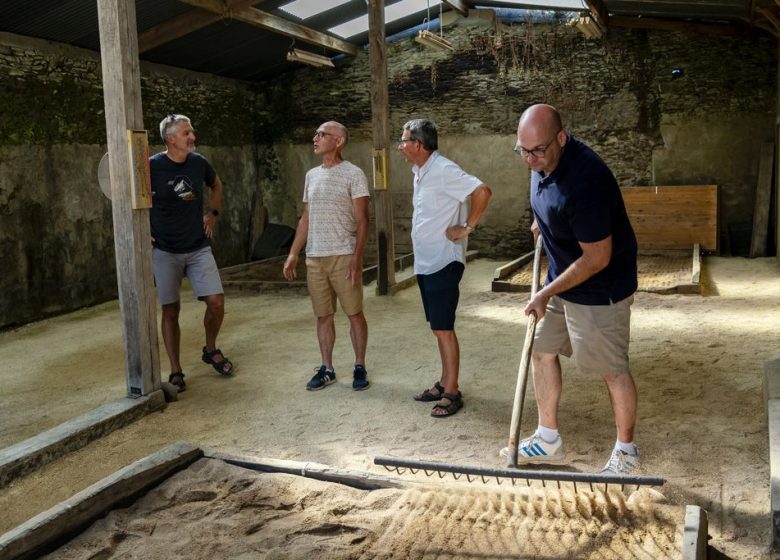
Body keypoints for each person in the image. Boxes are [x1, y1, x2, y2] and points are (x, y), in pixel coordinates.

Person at [502, 103, 640, 475]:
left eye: (537, 150)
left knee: (611, 369)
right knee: (541, 350)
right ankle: (548, 438)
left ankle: (626, 452)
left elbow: (598, 257)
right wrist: (540, 219)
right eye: (522, 150)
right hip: (564, 278)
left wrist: (545, 293)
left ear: (561, 138)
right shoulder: (541, 159)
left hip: (600, 288)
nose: (529, 159)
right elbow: (545, 190)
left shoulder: (586, 181)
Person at [398, 119, 492, 418]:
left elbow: (482, 191)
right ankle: (443, 382)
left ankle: (451, 393)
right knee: (438, 329)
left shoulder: (443, 169)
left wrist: (467, 227)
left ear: (419, 145)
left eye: (403, 140)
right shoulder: (421, 171)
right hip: (427, 263)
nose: (400, 146)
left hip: (443, 261)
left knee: (444, 328)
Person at [149, 113, 234, 393]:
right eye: (187, 133)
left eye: (192, 132)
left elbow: (216, 184)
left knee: (216, 302)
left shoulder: (198, 163)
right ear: (170, 139)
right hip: (164, 249)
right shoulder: (150, 167)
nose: (193, 137)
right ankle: (175, 370)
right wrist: (143, 230)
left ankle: (210, 349)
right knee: (170, 309)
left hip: (197, 247)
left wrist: (213, 213)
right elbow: (133, 198)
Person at [283, 121, 371, 391]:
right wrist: (293, 252)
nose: (315, 138)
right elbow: (306, 218)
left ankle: (359, 366)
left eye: (322, 134)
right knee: (323, 316)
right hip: (315, 257)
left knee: (354, 313)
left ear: (339, 141)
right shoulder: (311, 175)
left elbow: (362, 220)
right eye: (316, 133)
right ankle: (327, 368)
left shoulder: (354, 174)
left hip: (343, 256)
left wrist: (357, 259)